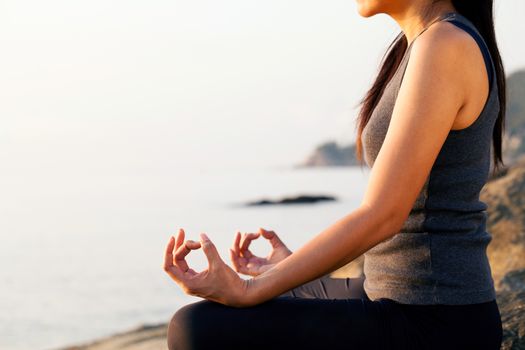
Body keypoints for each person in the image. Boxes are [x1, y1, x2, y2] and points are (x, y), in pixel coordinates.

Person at [162, 0, 507, 349]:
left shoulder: (445, 43)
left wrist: (248, 290)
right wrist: (289, 268)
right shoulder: (421, 44)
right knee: (255, 298)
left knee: (193, 328)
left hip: (436, 320)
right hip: (393, 292)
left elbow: (383, 214)